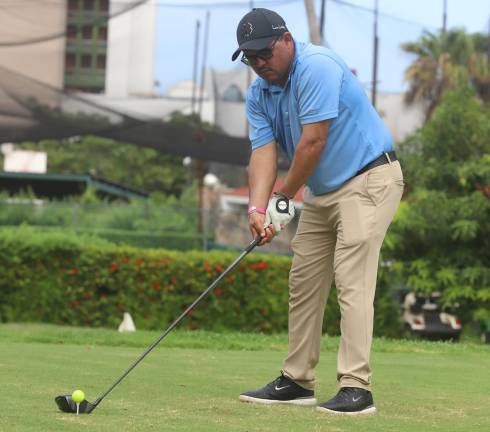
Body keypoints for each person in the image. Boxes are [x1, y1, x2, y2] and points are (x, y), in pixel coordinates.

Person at [231, 8, 404, 415]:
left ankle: (356, 387)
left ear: (287, 40)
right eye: (250, 58)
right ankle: (297, 380)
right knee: (304, 280)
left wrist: (282, 199)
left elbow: (313, 142)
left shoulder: (317, 66)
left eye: (264, 53)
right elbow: (262, 153)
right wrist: (258, 207)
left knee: (351, 279)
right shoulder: (259, 94)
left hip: (369, 178)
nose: (259, 63)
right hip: (323, 192)